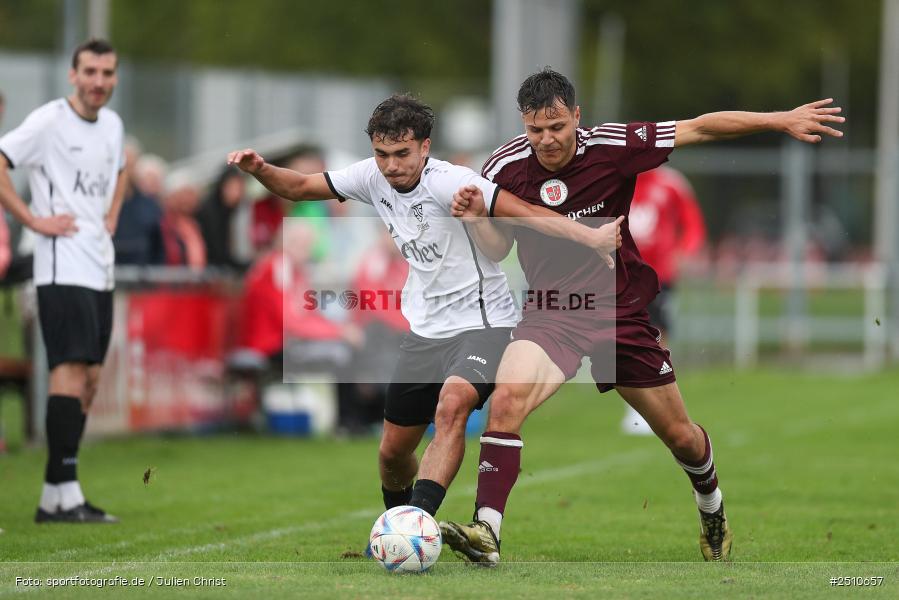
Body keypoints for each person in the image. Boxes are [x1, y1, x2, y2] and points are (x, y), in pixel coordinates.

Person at [440, 68, 844, 563]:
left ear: (577, 117)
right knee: (506, 404)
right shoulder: (503, 167)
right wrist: (478, 220)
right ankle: (487, 533)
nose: (546, 140)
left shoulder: (612, 145)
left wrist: (778, 119)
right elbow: (499, 243)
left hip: (619, 313)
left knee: (681, 437)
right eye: (535, 129)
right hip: (552, 312)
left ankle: (711, 505)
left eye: (557, 127)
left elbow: (700, 127)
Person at [228, 94, 623, 519]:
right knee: (392, 454)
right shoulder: (370, 176)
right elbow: (302, 186)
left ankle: (415, 524)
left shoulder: (451, 181)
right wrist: (260, 169)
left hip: (484, 323)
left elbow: (526, 212)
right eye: (382, 154)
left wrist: (591, 236)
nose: (392, 165)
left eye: (402, 154)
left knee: (451, 407)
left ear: (425, 147)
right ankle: (398, 521)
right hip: (426, 330)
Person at [0, 39, 128, 523]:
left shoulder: (112, 125)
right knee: (69, 372)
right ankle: (64, 491)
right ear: (73, 75)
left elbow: (120, 169)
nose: (99, 81)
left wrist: (113, 212)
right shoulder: (49, 120)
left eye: (108, 72)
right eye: (90, 71)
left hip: (99, 264)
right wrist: (33, 222)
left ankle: (57, 493)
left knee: (91, 378)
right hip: (60, 263)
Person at [622, 166, 707, 435]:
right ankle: (636, 407)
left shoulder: (671, 183)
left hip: (659, 276)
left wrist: (685, 252)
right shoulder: (617, 178)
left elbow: (692, 222)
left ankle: (660, 404)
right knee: (624, 338)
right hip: (621, 275)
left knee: (657, 336)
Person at [196, 167, 247, 270]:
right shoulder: (209, 211)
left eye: (239, 189)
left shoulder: (231, 211)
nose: (236, 194)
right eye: (231, 188)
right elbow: (216, 251)